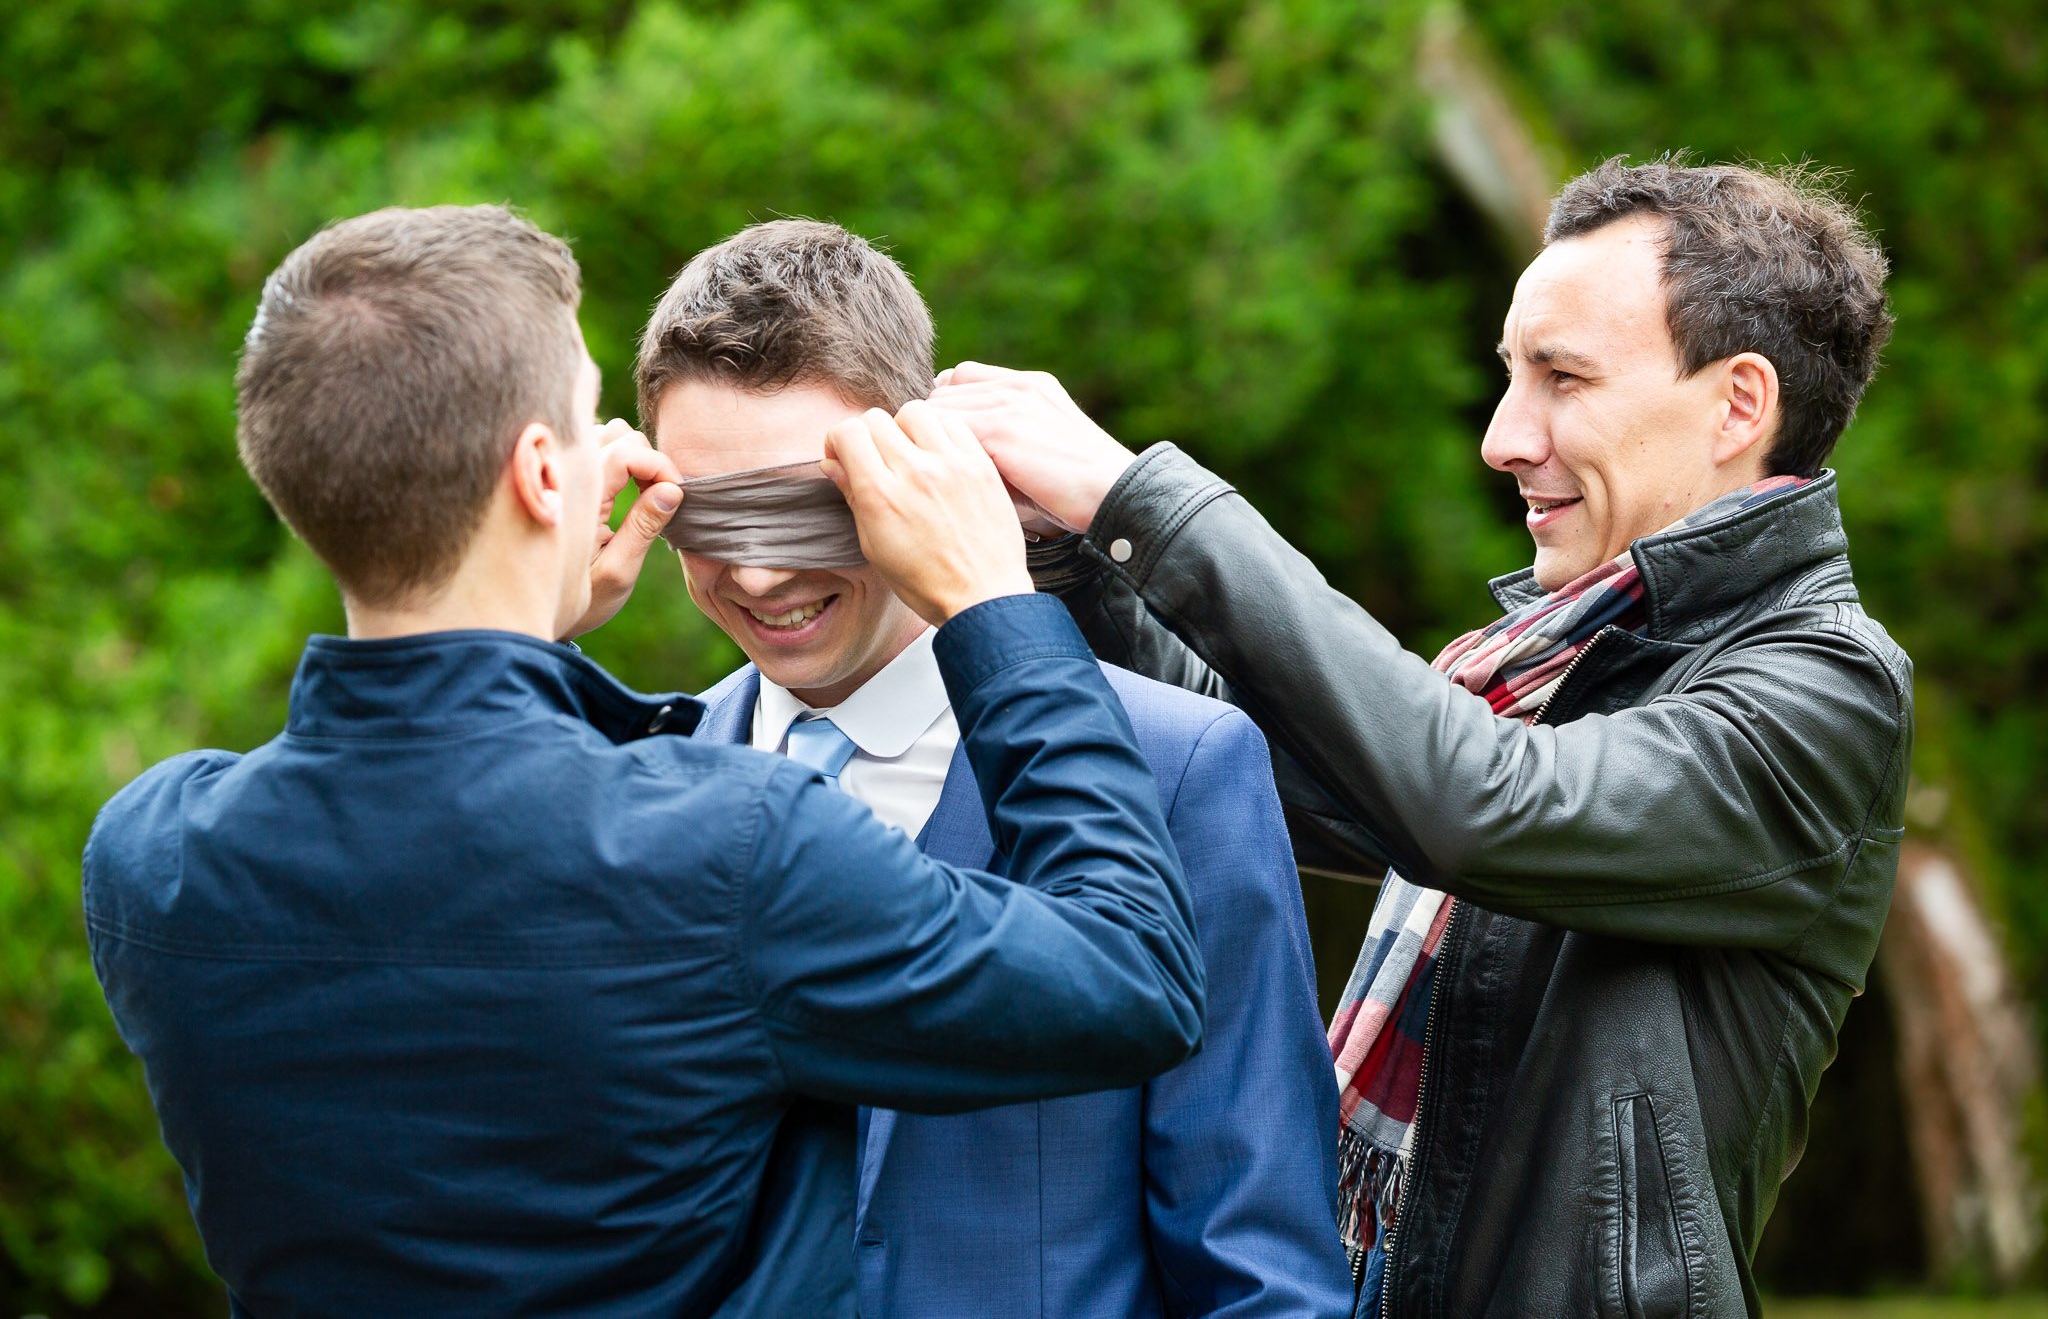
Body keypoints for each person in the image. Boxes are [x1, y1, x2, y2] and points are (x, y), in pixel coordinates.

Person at [81, 204, 1209, 1318]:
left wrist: (519, 626)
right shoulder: (731, 847)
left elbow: (441, 829)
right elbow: (1131, 971)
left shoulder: (150, 859)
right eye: (586, 421)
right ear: (539, 473)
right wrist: (990, 600)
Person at [935, 157, 1913, 1318]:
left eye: (1561, 379)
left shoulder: (1827, 685)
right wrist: (1065, 555)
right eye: (1511, 377)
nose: (1503, 437)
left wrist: (1141, 500)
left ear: (1736, 404)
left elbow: (1476, 804)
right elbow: (1252, 766)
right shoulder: (1553, 659)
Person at [636, 219, 1352, 1318]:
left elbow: (1261, 1280)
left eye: (803, 504)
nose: (756, 567)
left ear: (917, 471)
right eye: (714, 514)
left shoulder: (1175, 770)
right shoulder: (624, 791)